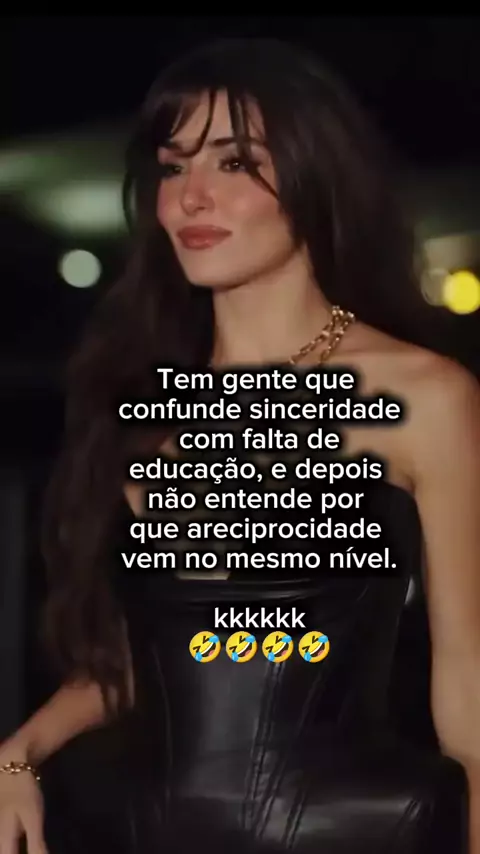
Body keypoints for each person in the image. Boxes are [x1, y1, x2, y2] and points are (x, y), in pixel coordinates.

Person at [1, 36, 479, 854]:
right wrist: (20, 752)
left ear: (313, 178)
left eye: (234, 162)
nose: (192, 196)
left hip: (345, 835)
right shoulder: (149, 408)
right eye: (172, 166)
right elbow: (147, 662)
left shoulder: (423, 396)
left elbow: (468, 674)